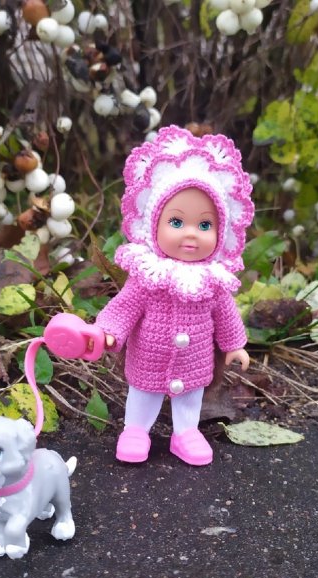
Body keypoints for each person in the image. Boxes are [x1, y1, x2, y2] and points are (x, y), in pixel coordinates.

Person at [95, 125, 254, 466]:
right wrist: (109, 331)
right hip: (149, 356)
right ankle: (136, 430)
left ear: (221, 231)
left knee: (190, 398)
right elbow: (125, 306)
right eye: (177, 222)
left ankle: (186, 433)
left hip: (194, 359)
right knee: (144, 393)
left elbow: (226, 314)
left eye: (205, 225)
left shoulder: (213, 280)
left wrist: (234, 345)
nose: (191, 235)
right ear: (154, 224)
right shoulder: (147, 275)